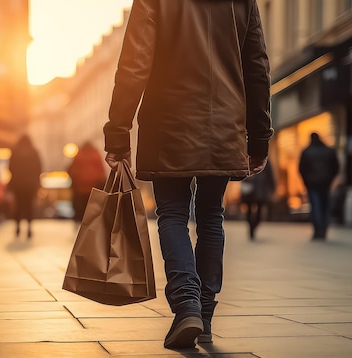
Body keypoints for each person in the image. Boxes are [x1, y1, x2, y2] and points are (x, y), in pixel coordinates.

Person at [103, 0, 273, 349]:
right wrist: (259, 136)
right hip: (224, 121)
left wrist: (118, 129)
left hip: (169, 120)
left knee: (173, 213)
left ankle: (187, 305)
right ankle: (204, 315)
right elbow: (256, 66)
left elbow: (134, 64)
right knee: (211, 215)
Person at [298, 133, 340, 240]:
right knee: (325, 206)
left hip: (312, 184)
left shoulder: (307, 152)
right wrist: (330, 179)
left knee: (315, 207)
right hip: (326, 183)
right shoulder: (329, 151)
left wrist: (306, 181)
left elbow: (301, 169)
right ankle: (324, 228)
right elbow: (336, 167)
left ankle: (317, 230)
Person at [7, 135, 42, 239]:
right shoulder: (34, 152)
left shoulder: (15, 152)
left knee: (18, 207)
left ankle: (17, 226)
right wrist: (37, 183)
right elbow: (39, 168)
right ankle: (29, 228)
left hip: (18, 185)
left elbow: (10, 168)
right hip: (30, 185)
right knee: (29, 207)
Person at [67, 141, 107, 224]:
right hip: (94, 188)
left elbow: (73, 169)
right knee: (93, 211)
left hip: (81, 189)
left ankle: (82, 227)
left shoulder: (79, 155)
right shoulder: (96, 154)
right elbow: (101, 170)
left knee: (82, 210)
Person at [240, 161, 276, 240]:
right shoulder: (246, 157)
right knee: (249, 210)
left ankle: (253, 227)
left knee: (259, 212)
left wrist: (272, 188)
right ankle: (251, 228)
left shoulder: (265, 159)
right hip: (250, 188)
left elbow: (270, 174)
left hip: (260, 189)